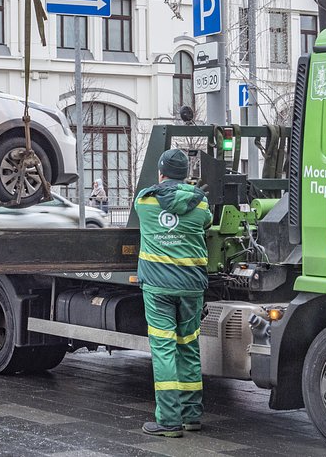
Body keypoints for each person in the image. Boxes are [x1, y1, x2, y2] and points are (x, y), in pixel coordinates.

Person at [134, 148, 211, 438]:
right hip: (191, 286)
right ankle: (192, 416)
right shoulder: (201, 204)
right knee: (188, 347)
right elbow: (205, 224)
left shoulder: (144, 201)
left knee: (164, 349)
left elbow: (144, 204)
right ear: (186, 175)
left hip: (158, 288)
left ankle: (168, 421)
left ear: (161, 173)